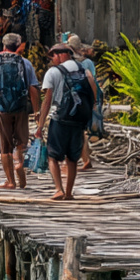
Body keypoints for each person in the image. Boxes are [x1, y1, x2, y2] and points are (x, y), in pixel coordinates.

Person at [0, 33, 40, 189]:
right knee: (21, 141)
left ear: (3, 45)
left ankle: (10, 181)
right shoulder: (25, 63)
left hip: (1, 107)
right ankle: (19, 163)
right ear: (18, 46)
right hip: (21, 107)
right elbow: (33, 88)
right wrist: (37, 110)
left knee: (5, 146)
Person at [36, 44, 97, 200]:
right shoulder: (85, 71)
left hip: (59, 119)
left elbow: (47, 101)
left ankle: (59, 189)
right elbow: (94, 95)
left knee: (53, 157)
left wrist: (40, 125)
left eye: (53, 56)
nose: (52, 60)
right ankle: (69, 193)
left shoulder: (53, 72)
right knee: (72, 158)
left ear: (61, 55)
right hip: (78, 121)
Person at [63, 32, 100, 168]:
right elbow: (93, 81)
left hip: (76, 99)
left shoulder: (74, 63)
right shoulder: (88, 62)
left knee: (77, 130)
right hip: (84, 98)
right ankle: (85, 159)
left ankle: (79, 160)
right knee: (81, 130)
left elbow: (90, 80)